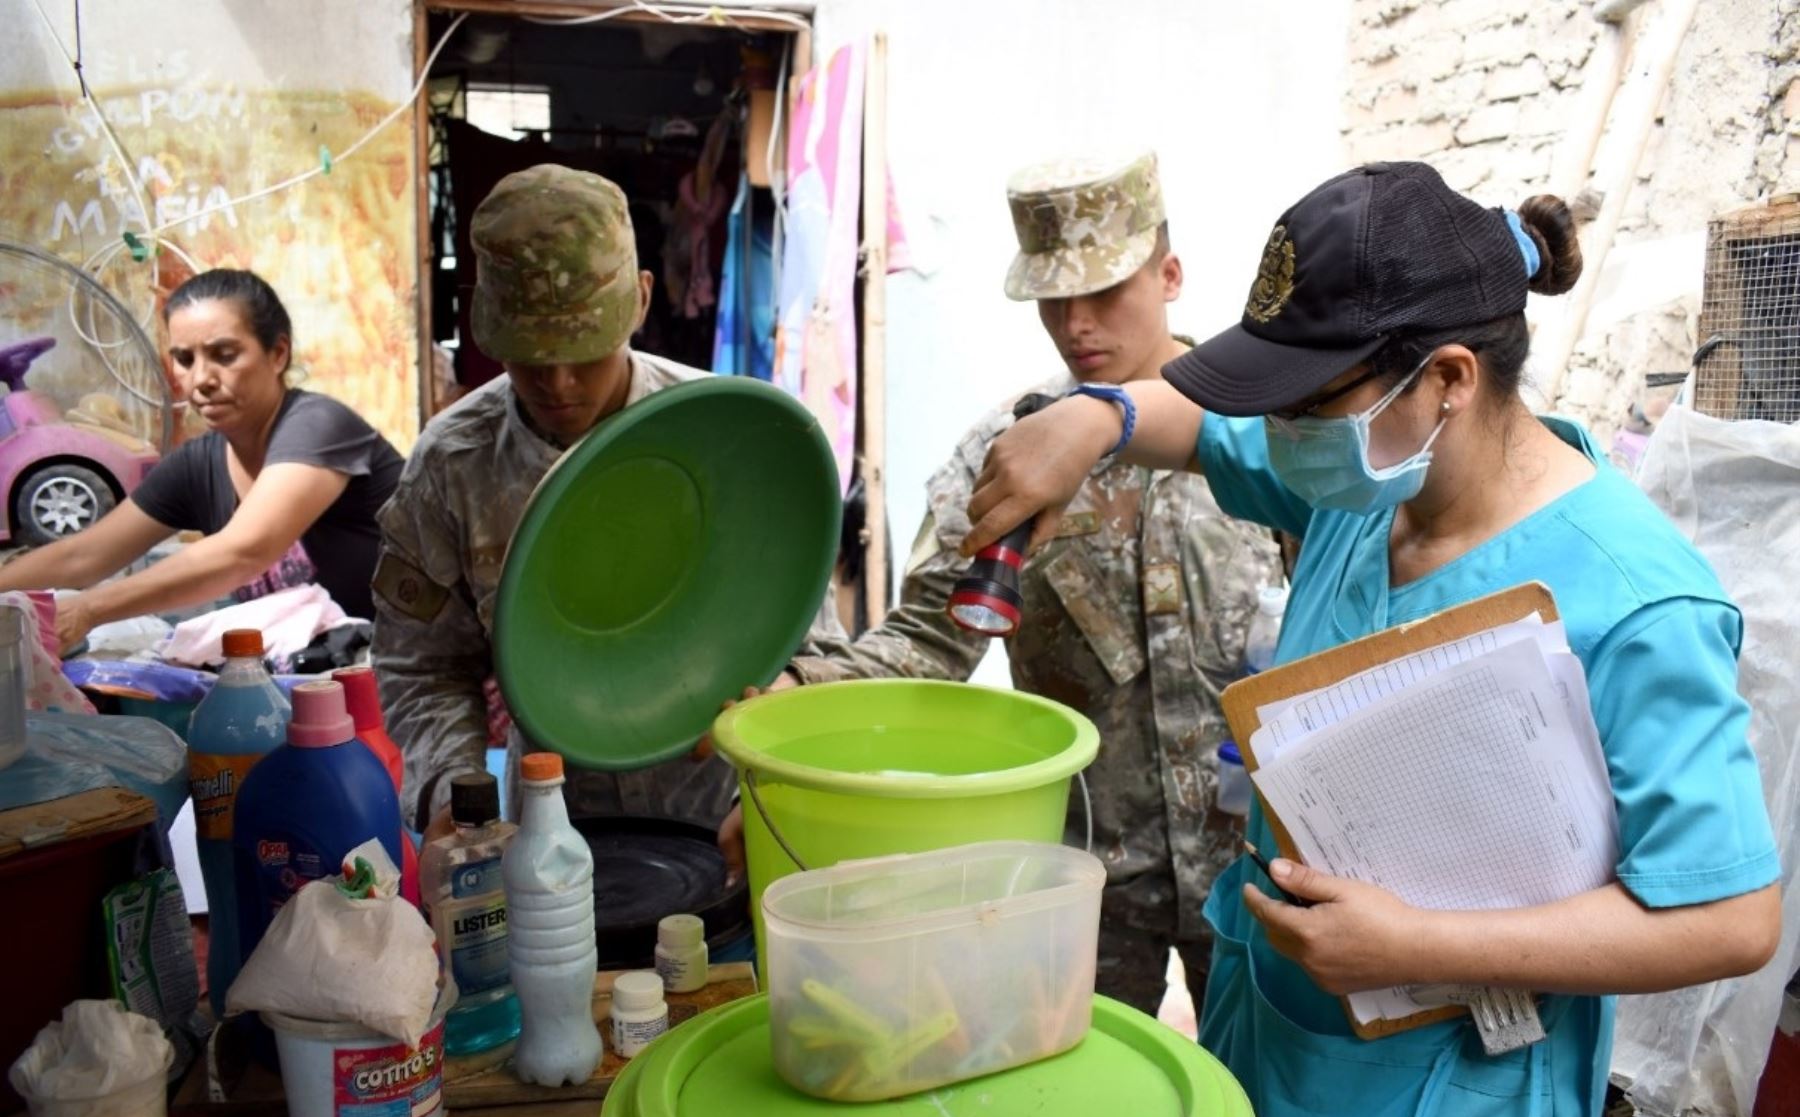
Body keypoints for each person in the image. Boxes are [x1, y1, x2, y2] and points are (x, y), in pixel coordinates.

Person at [961, 161, 1781, 1117]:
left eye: (1309, 405)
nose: (1285, 431)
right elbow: (1199, 429)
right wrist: (1094, 416)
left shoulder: (1634, 600)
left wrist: (1419, 943)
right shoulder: (1366, 490)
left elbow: (1727, 917)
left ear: (1444, 378)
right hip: (1282, 1069)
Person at [760, 152, 1281, 1016]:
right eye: (1052, 296)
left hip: (1255, 866)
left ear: (1171, 274)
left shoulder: (1267, 434)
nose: (1077, 323)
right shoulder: (1005, 457)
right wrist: (797, 688)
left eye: (1106, 290)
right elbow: (928, 639)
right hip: (1087, 883)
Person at [373, 164, 846, 852]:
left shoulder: (733, 437)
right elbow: (424, 667)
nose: (559, 383)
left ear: (642, 299)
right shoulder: (454, 465)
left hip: (735, 823)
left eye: (586, 350)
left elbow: (818, 645)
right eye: (531, 356)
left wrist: (791, 693)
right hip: (558, 839)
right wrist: (454, 792)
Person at [0, 269, 402, 650]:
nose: (201, 380)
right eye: (185, 360)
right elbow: (82, 557)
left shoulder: (320, 426)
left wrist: (89, 609)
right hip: (317, 674)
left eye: (224, 355)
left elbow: (242, 552)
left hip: (411, 671)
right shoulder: (197, 465)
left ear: (278, 354)